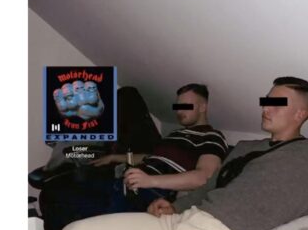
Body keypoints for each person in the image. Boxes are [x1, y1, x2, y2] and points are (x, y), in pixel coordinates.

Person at [63, 76, 308, 230]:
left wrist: (151, 183)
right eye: (267, 101)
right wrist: (175, 206)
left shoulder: (303, 157)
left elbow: (201, 175)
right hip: (182, 218)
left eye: (278, 104)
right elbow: (210, 185)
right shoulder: (245, 146)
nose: (266, 108)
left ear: (300, 114)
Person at [90, 83, 227, 208]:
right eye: (178, 106)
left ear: (203, 107)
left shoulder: (212, 136)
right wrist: (114, 157)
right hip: (129, 182)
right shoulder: (175, 134)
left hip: (154, 193)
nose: (179, 112)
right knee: (77, 189)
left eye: (186, 106)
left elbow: (204, 177)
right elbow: (150, 157)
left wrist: (149, 181)